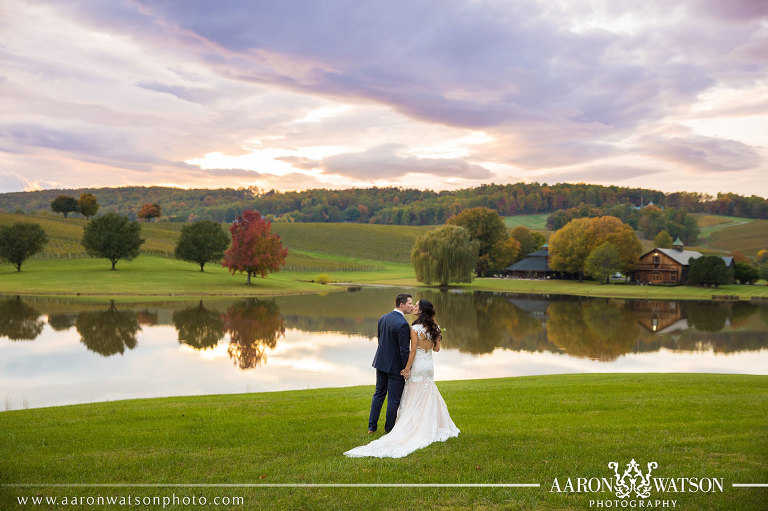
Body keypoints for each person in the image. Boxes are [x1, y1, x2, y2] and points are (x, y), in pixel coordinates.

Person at [345, 299, 459, 458]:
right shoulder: (435, 328)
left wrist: (406, 369)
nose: (413, 307)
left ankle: (388, 426)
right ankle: (425, 423)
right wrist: (437, 337)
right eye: (412, 304)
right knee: (426, 395)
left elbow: (412, 351)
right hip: (429, 368)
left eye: (416, 305)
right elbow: (437, 349)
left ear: (421, 311)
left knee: (408, 395)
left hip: (414, 366)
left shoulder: (413, 327)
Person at [365, 293, 413, 434]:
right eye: (410, 303)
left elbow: (381, 341)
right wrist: (406, 368)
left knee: (379, 394)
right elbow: (404, 350)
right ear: (402, 305)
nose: (412, 306)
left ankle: (372, 427)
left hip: (381, 362)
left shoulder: (383, 318)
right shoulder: (403, 324)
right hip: (395, 367)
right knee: (393, 399)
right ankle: (389, 429)